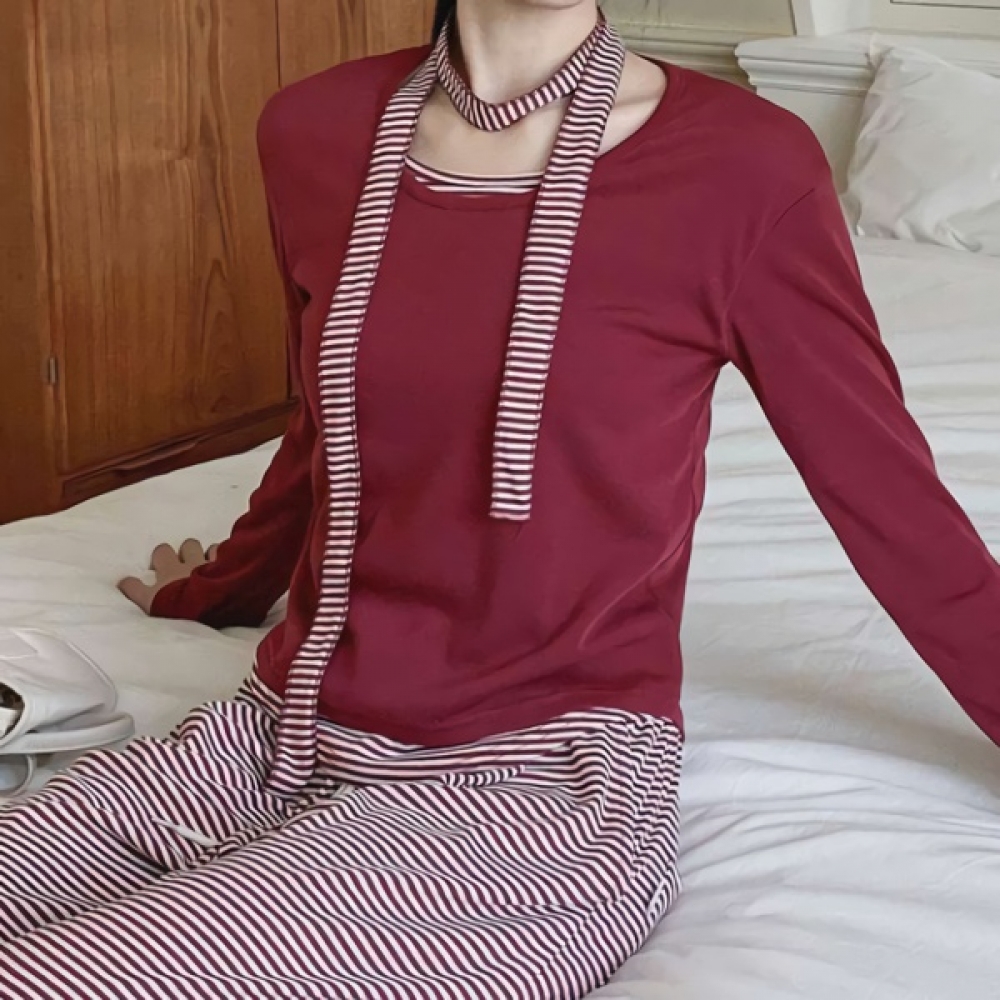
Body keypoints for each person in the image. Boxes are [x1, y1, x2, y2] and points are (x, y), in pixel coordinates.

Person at [2, 0, 999, 995]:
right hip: (270, 731)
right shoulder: (312, 129)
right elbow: (330, 419)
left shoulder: (747, 168)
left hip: (538, 785)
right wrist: (216, 589)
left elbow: (889, 497)